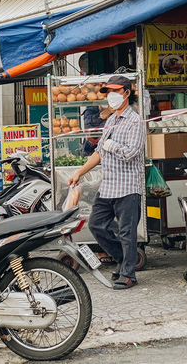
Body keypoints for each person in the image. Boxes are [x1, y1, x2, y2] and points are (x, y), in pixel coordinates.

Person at [68, 75, 145, 290]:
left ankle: (128, 275)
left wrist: (111, 146)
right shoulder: (110, 120)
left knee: (127, 233)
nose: (111, 96)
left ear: (127, 93)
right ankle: (123, 260)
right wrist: (79, 172)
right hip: (108, 186)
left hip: (128, 187)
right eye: (108, 92)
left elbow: (131, 153)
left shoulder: (135, 121)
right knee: (96, 225)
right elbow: (99, 152)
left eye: (115, 91)